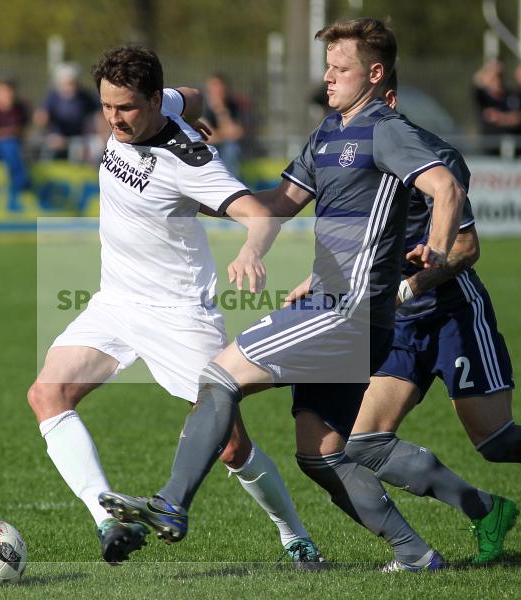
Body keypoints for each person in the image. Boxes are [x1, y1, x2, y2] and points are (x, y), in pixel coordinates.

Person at [100, 18, 467, 572]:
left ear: (374, 73)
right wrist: (187, 193)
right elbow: (275, 204)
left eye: (340, 68)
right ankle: (414, 553)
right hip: (346, 310)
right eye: (327, 67)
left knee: (220, 377)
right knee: (319, 454)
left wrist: (437, 247)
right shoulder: (327, 133)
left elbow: (446, 185)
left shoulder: (384, 128)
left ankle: (171, 504)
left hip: (348, 304)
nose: (328, 78)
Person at [308, 69, 521, 560]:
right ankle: (484, 510)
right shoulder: (351, 154)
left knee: (496, 440)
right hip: (397, 325)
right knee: (363, 441)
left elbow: (466, 248)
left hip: (452, 315)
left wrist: (409, 285)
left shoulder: (437, 160)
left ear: (389, 98)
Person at [27, 46, 324, 567]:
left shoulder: (192, 163)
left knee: (232, 447)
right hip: (115, 300)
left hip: (179, 315)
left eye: (125, 109)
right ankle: (108, 522)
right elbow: (191, 94)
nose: (114, 120)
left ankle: (293, 534)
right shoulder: (157, 102)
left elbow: (261, 216)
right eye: (106, 106)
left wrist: (251, 251)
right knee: (47, 394)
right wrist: (192, 104)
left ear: (148, 102)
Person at [35, 63, 101, 161]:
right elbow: (40, 117)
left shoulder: (85, 96)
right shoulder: (52, 96)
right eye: (67, 83)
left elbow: (101, 111)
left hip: (79, 137)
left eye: (73, 83)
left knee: (92, 145)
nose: (71, 86)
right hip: (56, 137)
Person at [472, 59, 521, 149]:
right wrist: (489, 69)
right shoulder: (483, 97)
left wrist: (500, 118)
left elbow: (518, 118)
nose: (496, 80)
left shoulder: (511, 95)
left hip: (514, 148)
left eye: (499, 77)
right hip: (489, 147)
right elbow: (476, 82)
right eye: (492, 78)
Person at [202, 73, 244, 177]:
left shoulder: (231, 107)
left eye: (220, 87)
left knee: (231, 147)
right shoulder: (202, 106)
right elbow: (207, 136)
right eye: (214, 86)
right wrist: (225, 134)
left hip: (224, 147)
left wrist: (220, 109)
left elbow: (237, 133)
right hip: (205, 147)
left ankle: (231, 182)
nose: (218, 91)